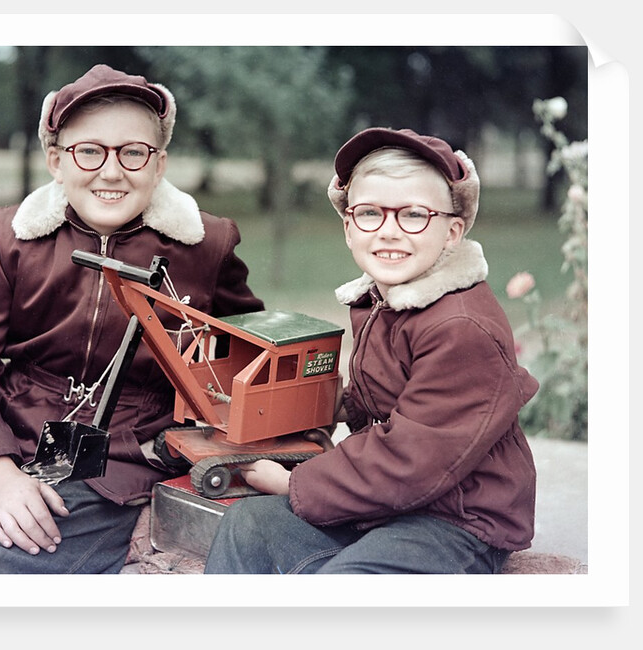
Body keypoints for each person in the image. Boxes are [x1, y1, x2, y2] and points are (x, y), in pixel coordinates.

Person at [0, 64, 264, 574]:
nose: (111, 172)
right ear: (56, 161)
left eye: (133, 152)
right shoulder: (9, 237)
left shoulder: (205, 245)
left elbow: (250, 355)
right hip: (4, 438)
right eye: (89, 151)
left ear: (159, 165)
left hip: (116, 463)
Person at [204, 127, 539, 574]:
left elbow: (413, 458)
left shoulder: (460, 328)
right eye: (369, 214)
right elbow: (385, 392)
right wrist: (325, 405)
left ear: (452, 231)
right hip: (390, 502)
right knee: (248, 525)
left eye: (414, 215)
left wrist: (293, 482)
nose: (389, 232)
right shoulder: (388, 299)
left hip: (456, 518)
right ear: (348, 228)